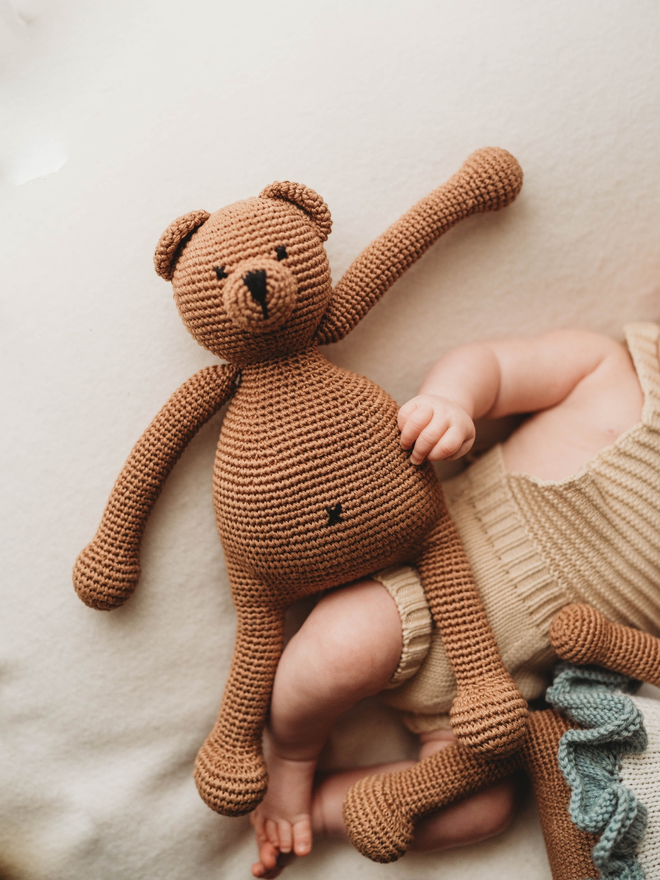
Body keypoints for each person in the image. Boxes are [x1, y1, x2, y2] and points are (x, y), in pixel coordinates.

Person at [251, 323, 660, 878]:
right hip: (425, 592)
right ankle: (292, 754)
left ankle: (321, 812)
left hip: (498, 704)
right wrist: (451, 403)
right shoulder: (611, 370)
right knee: (339, 648)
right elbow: (494, 367)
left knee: (483, 812)